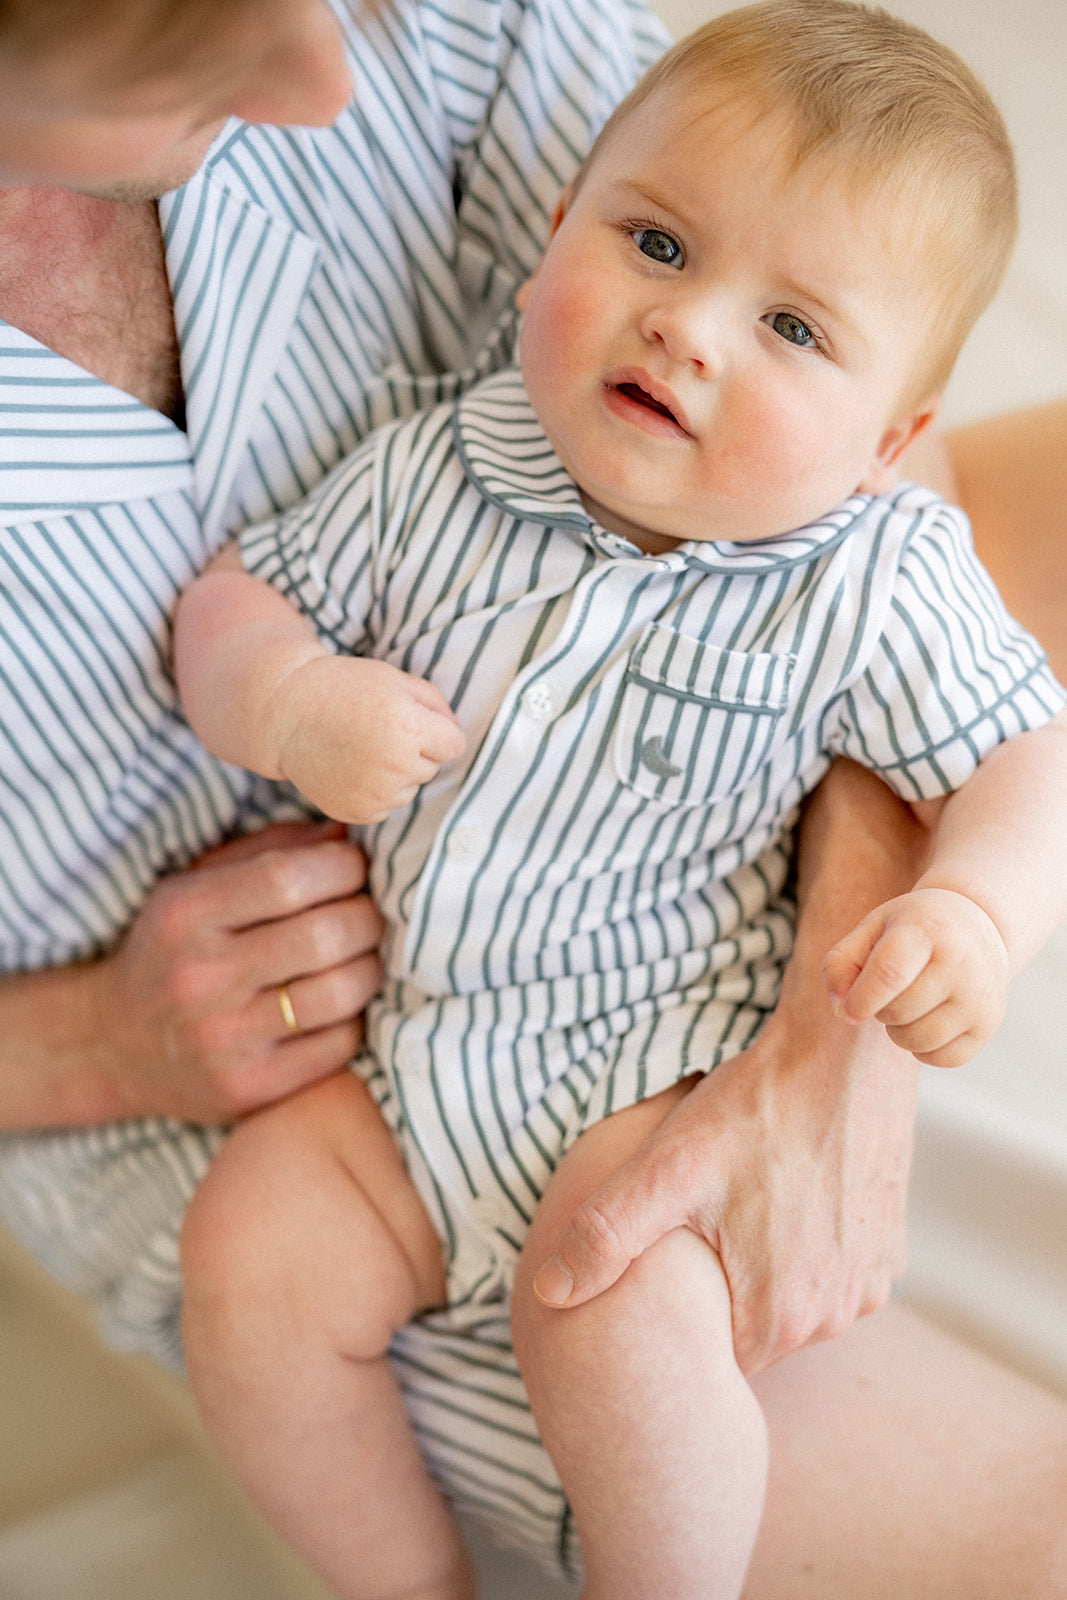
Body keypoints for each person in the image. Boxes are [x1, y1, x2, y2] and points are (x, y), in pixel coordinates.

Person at [0, 0, 1065, 1596]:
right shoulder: (447, 463)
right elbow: (240, 606)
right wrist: (288, 705)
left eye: (792, 331)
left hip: (646, 1063)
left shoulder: (872, 560)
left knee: (620, 1317)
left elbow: (1014, 754)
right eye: (651, 247)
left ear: (887, 439)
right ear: (554, 238)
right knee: (258, 1273)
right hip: (346, 1085)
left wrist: (937, 938)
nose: (690, 331)